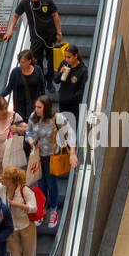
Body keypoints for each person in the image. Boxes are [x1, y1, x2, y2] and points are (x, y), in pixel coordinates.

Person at [25, 94, 77, 232]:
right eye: (35, 106)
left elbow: (71, 133)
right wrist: (31, 142)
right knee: (40, 184)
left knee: (51, 184)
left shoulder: (57, 118)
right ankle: (42, 209)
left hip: (52, 158)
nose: (36, 109)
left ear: (46, 107)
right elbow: (28, 133)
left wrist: (72, 153)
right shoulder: (33, 117)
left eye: (39, 107)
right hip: (37, 157)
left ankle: (53, 210)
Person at [4, 0, 62, 76]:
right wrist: (10, 31)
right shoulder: (25, 3)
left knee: (50, 59)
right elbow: (15, 16)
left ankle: (50, 80)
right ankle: (41, 78)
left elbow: (55, 15)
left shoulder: (47, 1)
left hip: (50, 36)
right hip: (36, 37)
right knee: (37, 59)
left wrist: (59, 32)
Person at [0, 165, 37, 256]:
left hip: (26, 226)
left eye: (4, 178)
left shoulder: (24, 190)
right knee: (15, 255)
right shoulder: (0, 188)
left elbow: (34, 208)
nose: (1, 179)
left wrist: (19, 205)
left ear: (11, 180)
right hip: (10, 227)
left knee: (28, 254)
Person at [1, 49, 47, 121]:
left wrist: (43, 103)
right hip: (20, 105)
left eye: (22, 62)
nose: (20, 64)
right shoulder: (15, 72)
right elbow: (8, 89)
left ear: (29, 61)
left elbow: (42, 86)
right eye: (19, 62)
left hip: (35, 104)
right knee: (21, 124)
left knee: (34, 124)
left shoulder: (37, 70)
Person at [54, 43, 88, 125]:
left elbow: (81, 90)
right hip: (62, 102)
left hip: (74, 105)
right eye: (65, 57)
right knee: (63, 129)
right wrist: (60, 73)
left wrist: (70, 98)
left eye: (69, 57)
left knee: (72, 128)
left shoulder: (83, 70)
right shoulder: (64, 64)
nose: (66, 59)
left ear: (75, 56)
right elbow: (56, 80)